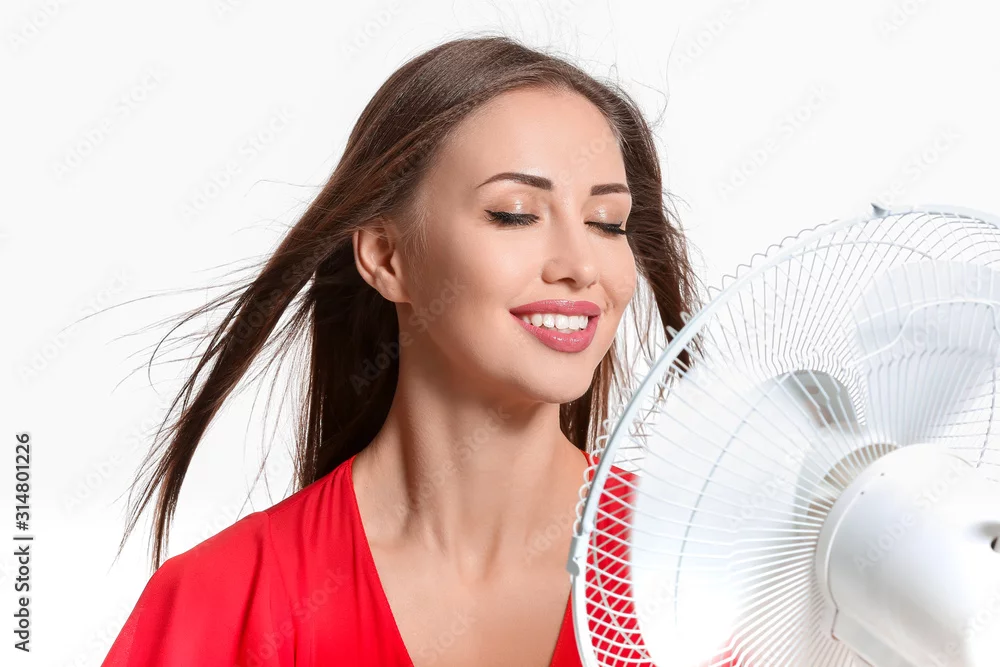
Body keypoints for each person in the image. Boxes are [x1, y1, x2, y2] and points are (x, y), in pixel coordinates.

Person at [100, 34, 699, 667]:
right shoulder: (222, 602)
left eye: (607, 223)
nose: (581, 265)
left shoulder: (708, 572)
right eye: (515, 213)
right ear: (386, 257)